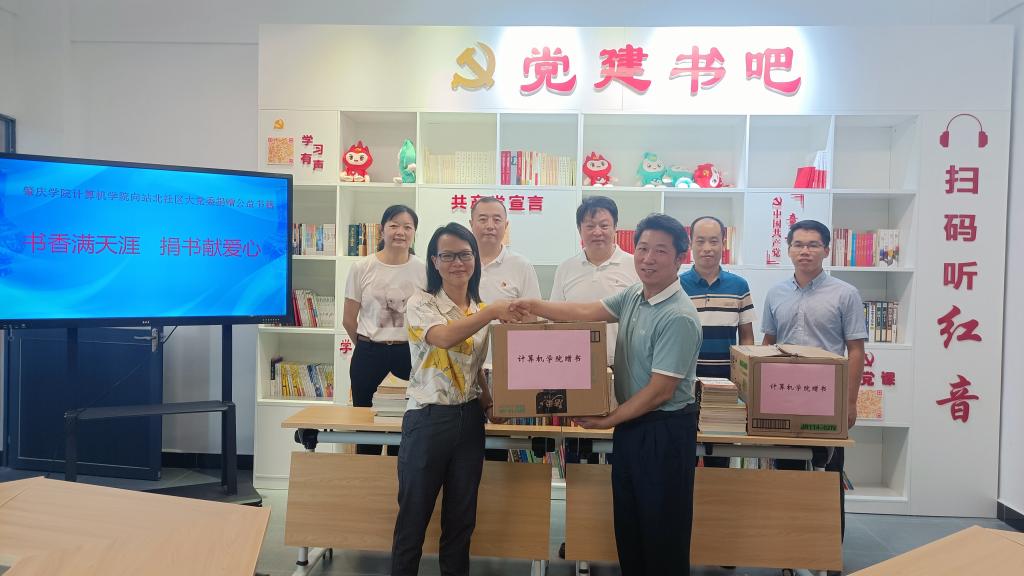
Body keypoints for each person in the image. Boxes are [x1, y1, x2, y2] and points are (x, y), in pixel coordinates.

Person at [511, 213, 702, 576]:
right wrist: (533, 306)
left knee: (662, 530)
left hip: (663, 431)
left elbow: (660, 392)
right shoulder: (635, 294)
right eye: (642, 248)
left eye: (660, 251)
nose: (648, 258)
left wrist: (608, 420)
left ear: (680, 258)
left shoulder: (678, 315)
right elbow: (586, 311)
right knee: (631, 524)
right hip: (634, 426)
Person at [390, 222, 514, 576]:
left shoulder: (478, 307)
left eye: (464, 254)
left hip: (469, 421)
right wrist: (491, 313)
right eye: (448, 256)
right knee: (413, 519)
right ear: (434, 261)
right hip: (428, 420)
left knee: (461, 521)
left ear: (475, 259)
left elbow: (474, 368)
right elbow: (443, 338)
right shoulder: (421, 302)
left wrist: (488, 403)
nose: (457, 262)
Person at [761, 219, 866, 576]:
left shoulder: (845, 293)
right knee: (788, 476)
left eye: (813, 245)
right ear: (788, 249)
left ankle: (827, 556)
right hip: (782, 400)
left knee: (827, 478)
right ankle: (790, 556)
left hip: (826, 401)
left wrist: (849, 401)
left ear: (826, 250)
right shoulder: (776, 293)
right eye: (799, 244)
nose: (805, 251)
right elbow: (767, 345)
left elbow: (855, 350)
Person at [343, 204, 426, 455]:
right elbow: (348, 319)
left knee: (410, 421)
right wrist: (368, 345)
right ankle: (368, 472)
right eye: (394, 225)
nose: (400, 232)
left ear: (414, 233)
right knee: (365, 424)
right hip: (369, 352)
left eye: (407, 227)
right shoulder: (362, 267)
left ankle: (402, 471)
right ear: (382, 230)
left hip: (410, 353)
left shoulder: (423, 269)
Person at [470, 195, 541, 462]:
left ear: (506, 225)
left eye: (496, 219)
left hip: (506, 371)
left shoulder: (520, 265)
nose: (490, 225)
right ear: (471, 223)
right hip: (465, 370)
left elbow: (533, 320)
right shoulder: (460, 264)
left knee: (502, 449)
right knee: (467, 448)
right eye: (483, 219)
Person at [680, 216, 754, 470]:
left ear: (724, 243)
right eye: (700, 241)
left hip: (726, 386)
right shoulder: (676, 285)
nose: (707, 248)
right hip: (685, 384)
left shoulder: (739, 286)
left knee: (720, 457)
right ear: (690, 244)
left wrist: (745, 381)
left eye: (714, 241)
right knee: (684, 454)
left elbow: (746, 337)